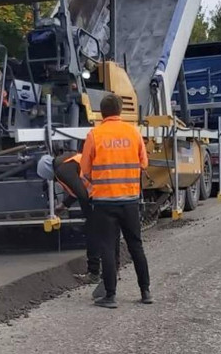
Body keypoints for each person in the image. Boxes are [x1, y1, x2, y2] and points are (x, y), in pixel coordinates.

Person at [80, 93, 153, 308]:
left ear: (101, 112)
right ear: (120, 111)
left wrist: (94, 190)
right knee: (136, 246)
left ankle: (110, 296)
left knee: (108, 248)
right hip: (129, 200)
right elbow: (144, 164)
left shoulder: (95, 135)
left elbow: (84, 171)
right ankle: (146, 291)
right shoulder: (133, 133)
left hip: (104, 202)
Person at [52, 153, 121, 286]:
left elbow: (81, 193)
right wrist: (65, 204)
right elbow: (79, 186)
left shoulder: (62, 170)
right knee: (113, 232)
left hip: (98, 198)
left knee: (94, 235)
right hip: (112, 191)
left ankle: (94, 273)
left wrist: (90, 217)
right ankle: (114, 271)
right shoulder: (75, 160)